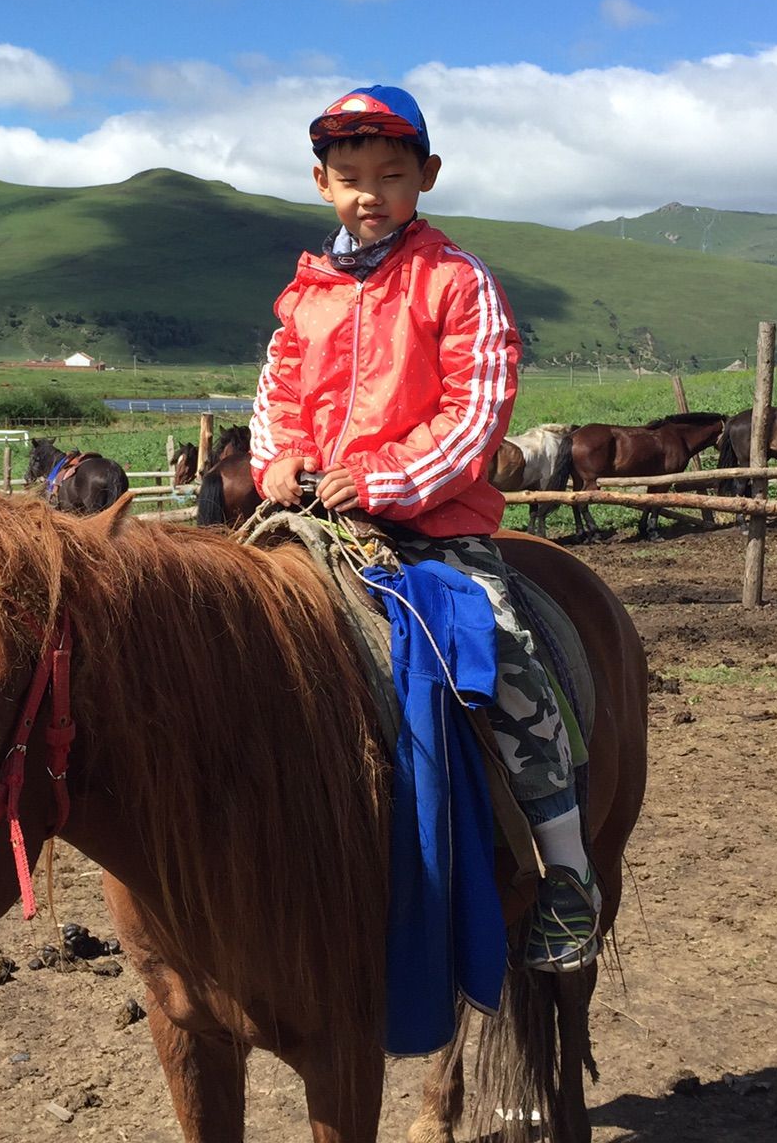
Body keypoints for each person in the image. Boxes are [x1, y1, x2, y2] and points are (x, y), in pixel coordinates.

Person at [249, 85, 599, 972]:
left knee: (508, 657)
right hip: (310, 516)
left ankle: (567, 874)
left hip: (432, 524)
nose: (370, 193)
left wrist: (379, 479)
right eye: (351, 176)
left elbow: (475, 414)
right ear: (322, 183)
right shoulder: (305, 294)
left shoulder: (458, 282)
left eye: (391, 175)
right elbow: (276, 399)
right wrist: (279, 463)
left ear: (427, 178)